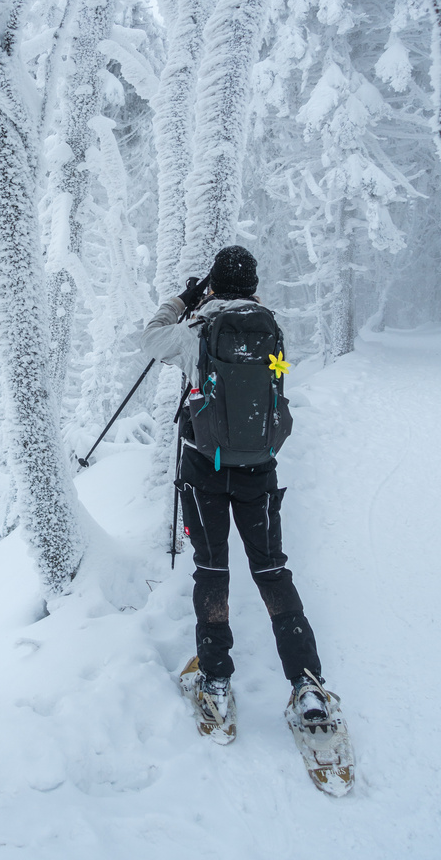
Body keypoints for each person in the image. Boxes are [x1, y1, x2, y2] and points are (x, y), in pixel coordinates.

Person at [141, 245, 330, 738]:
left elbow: (149, 340)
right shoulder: (270, 328)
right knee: (272, 570)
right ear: (251, 285)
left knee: (212, 569)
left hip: (205, 468)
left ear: (213, 286)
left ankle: (218, 681)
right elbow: (279, 380)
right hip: (260, 471)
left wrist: (184, 301)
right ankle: (307, 685)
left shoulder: (195, 331)